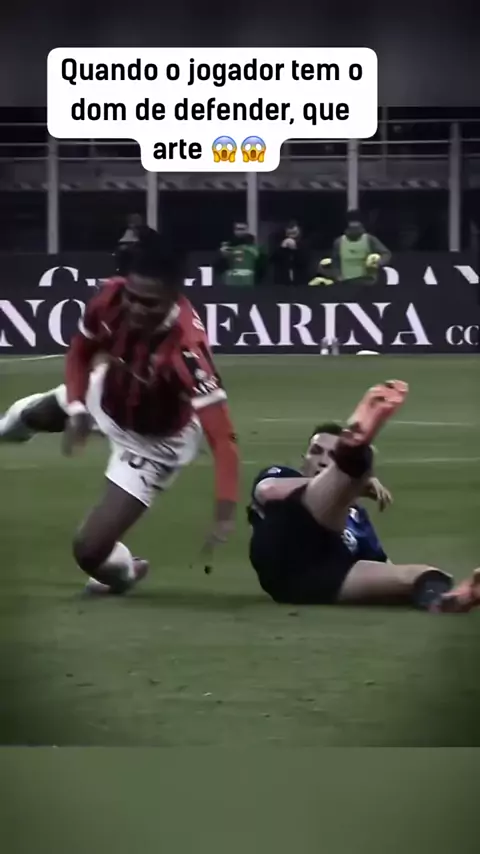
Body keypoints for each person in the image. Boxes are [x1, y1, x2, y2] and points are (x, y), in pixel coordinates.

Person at [0, 235, 239, 595]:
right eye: (133, 296)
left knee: (89, 552)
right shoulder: (111, 296)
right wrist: (77, 407)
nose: (137, 308)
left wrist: (224, 511)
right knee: (32, 414)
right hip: (108, 394)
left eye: (149, 303)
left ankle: (128, 572)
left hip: (154, 442)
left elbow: (223, 439)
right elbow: (80, 351)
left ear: (174, 296)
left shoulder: (188, 352)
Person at [247, 383, 480, 612]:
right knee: (311, 502)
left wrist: (408, 582)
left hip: (321, 579)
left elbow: (380, 565)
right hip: (283, 555)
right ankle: (354, 453)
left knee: (422, 575)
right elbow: (267, 491)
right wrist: (356, 484)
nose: (322, 460)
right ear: (303, 459)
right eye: (316, 452)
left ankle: (452, 599)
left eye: (332, 455)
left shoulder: (357, 516)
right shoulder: (281, 475)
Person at [309, 210, 391, 287]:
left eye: (356, 224)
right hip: (346, 283)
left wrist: (379, 262)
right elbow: (335, 261)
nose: (354, 226)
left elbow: (386, 254)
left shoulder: (370, 239)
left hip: (367, 283)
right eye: (351, 223)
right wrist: (337, 275)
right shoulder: (339, 242)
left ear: (361, 224)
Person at [214, 221, 266, 286]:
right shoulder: (226, 246)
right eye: (238, 229)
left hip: (248, 281)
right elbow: (218, 267)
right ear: (234, 230)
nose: (240, 232)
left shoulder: (254, 247)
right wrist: (222, 256)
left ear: (247, 230)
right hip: (230, 281)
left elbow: (261, 266)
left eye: (242, 229)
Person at [270, 221, 309, 286]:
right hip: (282, 283)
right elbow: (272, 260)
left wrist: (295, 249)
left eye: (294, 233)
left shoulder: (304, 244)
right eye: (289, 233)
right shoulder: (278, 243)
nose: (292, 236)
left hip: (300, 282)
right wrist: (282, 248)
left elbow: (304, 262)